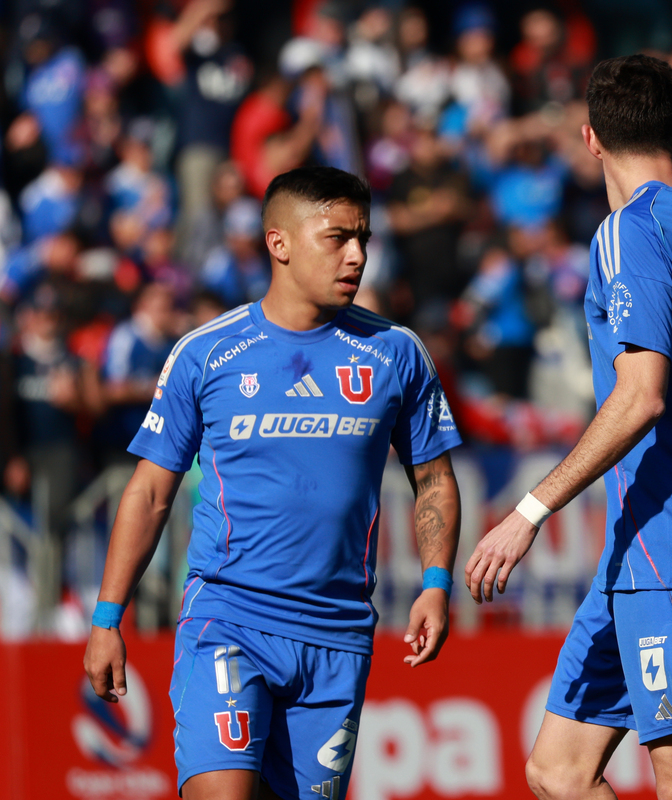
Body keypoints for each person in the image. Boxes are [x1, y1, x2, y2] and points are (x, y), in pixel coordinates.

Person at [82, 166, 463, 800]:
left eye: (364, 238)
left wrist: (435, 582)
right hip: (230, 618)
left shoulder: (396, 353)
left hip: (338, 635)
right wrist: (106, 616)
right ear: (278, 242)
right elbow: (150, 492)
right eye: (337, 236)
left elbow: (435, 479)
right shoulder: (207, 353)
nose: (357, 255)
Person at [465, 55, 672, 799]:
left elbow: (640, 396)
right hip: (642, 554)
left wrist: (528, 511)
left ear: (588, 138)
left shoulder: (626, 232)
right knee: (558, 771)